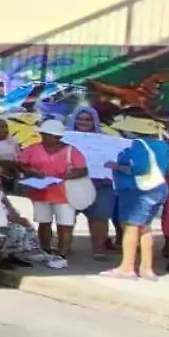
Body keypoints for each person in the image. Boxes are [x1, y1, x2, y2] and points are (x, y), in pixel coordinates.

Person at [105, 125, 169, 280]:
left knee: (131, 227)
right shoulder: (163, 145)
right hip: (158, 189)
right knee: (145, 228)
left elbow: (139, 168)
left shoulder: (138, 144)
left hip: (137, 191)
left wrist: (116, 166)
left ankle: (127, 267)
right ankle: (146, 268)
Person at [17, 119, 87, 259]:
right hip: (40, 191)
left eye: (48, 135)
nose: (45, 138)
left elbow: (82, 170)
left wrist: (68, 175)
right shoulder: (33, 148)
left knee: (65, 224)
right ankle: (45, 250)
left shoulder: (71, 150)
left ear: (58, 136)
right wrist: (32, 172)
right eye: (44, 134)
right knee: (44, 222)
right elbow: (20, 164)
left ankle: (62, 253)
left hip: (64, 193)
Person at [69, 106, 118, 258]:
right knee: (68, 216)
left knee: (100, 217)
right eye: (80, 118)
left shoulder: (107, 140)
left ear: (95, 121)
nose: (83, 122)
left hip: (101, 184)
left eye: (88, 119)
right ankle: (64, 247)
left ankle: (99, 249)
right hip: (72, 183)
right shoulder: (64, 138)